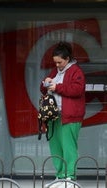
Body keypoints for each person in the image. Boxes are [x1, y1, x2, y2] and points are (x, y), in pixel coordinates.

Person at [40, 42, 86, 184]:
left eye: (59, 62)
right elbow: (44, 89)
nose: (57, 65)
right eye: (55, 62)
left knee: (68, 147)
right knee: (56, 147)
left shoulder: (76, 71)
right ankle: (60, 176)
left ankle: (70, 177)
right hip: (55, 116)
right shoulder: (55, 72)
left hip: (70, 116)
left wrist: (57, 87)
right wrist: (45, 83)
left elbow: (77, 90)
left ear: (67, 59)